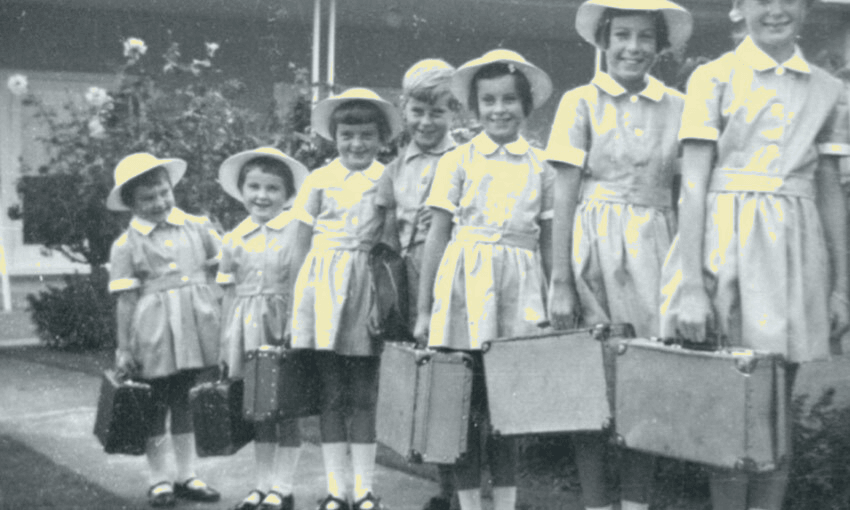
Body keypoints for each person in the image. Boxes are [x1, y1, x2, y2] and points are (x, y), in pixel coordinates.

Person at [659, 0, 850, 508]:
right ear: (738, 10)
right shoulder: (714, 77)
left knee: (777, 410)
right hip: (727, 246)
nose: (776, 10)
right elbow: (693, 185)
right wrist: (693, 285)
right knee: (733, 403)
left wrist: (841, 289)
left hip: (795, 251)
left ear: (807, 9)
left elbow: (830, 189)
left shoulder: (830, 90)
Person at [545, 1, 692, 509]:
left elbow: (684, 192)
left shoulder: (677, 104)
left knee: (645, 384)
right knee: (590, 384)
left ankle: (635, 504)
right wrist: (561, 279)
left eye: (644, 37)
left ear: (660, 44)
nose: (633, 48)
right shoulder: (580, 102)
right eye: (622, 35)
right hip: (592, 245)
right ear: (604, 40)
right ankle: (595, 503)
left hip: (655, 247)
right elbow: (563, 194)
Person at [413, 49, 555, 510]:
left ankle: (507, 504)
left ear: (525, 105)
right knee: (463, 409)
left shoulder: (541, 165)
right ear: (475, 109)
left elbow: (550, 239)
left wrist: (555, 300)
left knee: (506, 411)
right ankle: (471, 504)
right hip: (463, 292)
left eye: (509, 100)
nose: (499, 110)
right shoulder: (457, 160)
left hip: (518, 292)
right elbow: (437, 235)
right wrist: (423, 308)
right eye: (489, 101)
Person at [290, 88, 402, 510]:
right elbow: (301, 242)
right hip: (322, 289)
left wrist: (384, 300)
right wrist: (299, 298)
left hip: (365, 287)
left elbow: (388, 242)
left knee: (363, 393)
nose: (357, 144)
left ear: (381, 138)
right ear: (334, 138)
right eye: (348, 135)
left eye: (367, 135)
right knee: (330, 393)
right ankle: (337, 491)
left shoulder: (386, 177)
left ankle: (365, 489)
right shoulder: (319, 179)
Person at [107, 152, 222, 508]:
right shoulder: (127, 244)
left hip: (196, 322)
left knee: (186, 399)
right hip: (154, 330)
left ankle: (186, 475)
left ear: (171, 188)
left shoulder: (198, 226)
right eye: (147, 198)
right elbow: (126, 300)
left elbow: (222, 276)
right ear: (130, 204)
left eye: (163, 192)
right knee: (156, 403)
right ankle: (159, 480)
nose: (158, 202)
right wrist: (124, 348)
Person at [375, 58, 461, 510]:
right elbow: (387, 236)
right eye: (418, 111)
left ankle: (466, 487)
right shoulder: (395, 168)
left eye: (438, 112)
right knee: (427, 383)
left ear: (455, 113)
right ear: (403, 109)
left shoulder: (464, 158)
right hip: (408, 281)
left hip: (451, 278)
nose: (427, 122)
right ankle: (445, 487)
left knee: (456, 378)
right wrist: (388, 293)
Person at [217, 147, 310, 510]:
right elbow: (226, 294)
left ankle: (283, 488)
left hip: (283, 326)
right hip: (246, 329)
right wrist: (226, 344)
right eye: (253, 187)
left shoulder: (297, 232)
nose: (262, 196)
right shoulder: (235, 237)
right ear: (242, 191)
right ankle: (261, 485)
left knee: (285, 410)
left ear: (287, 195)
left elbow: (303, 284)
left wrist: (297, 328)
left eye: (272, 188)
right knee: (259, 411)